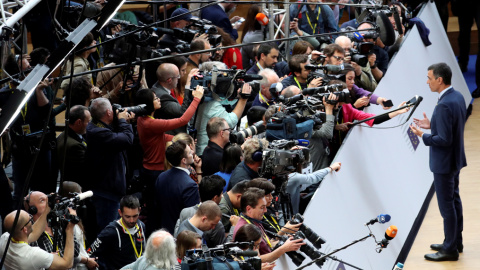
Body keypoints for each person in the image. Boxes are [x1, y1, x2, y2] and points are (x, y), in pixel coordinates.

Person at [410, 63, 467, 261]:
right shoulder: (456, 96)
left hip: (444, 164)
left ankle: (449, 249)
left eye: (429, 78)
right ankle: (454, 241)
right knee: (454, 201)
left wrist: (423, 135)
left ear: (439, 80)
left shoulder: (443, 104)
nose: (427, 82)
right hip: (455, 160)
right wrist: (433, 124)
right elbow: (452, 124)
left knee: (446, 206)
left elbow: (444, 140)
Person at [136, 87, 203, 218]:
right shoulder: (150, 123)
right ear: (148, 104)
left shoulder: (143, 119)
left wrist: (181, 141)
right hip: (156, 170)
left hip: (150, 169)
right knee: (159, 210)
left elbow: (159, 138)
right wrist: (197, 99)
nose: (159, 99)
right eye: (155, 98)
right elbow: (182, 120)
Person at [86, 97, 135, 232]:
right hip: (106, 193)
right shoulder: (97, 132)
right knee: (108, 231)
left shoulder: (98, 126)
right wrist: (123, 121)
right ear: (108, 113)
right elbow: (126, 140)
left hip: (109, 188)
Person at [233, 188, 304, 262]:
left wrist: (283, 237)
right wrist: (283, 249)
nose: (265, 210)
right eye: (262, 207)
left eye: (265, 207)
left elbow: (266, 245)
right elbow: (255, 260)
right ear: (249, 209)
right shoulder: (244, 229)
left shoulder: (255, 220)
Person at [0, 207, 75, 270]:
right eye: (30, 219)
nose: (31, 218)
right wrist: (70, 229)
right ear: (24, 229)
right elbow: (67, 264)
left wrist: (47, 209)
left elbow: (33, 234)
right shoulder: (34, 254)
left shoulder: (4, 239)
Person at [153, 141, 201, 234]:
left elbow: (157, 208)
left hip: (163, 231)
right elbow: (191, 218)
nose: (192, 152)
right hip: (180, 234)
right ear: (184, 160)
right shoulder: (190, 185)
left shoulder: (161, 177)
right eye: (190, 152)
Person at [87, 195, 146, 269]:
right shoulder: (110, 232)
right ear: (120, 212)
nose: (132, 220)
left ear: (139, 211)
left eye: (135, 216)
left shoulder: (141, 226)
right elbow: (88, 253)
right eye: (127, 216)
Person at [174, 176, 229, 247]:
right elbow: (223, 250)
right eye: (221, 194)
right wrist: (233, 227)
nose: (222, 196)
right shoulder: (217, 224)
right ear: (215, 198)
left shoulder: (184, 212)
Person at [57, 105, 91, 185]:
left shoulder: (63, 135)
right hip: (78, 189)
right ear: (79, 122)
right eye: (88, 122)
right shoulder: (75, 146)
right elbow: (87, 170)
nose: (89, 125)